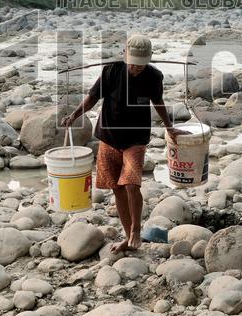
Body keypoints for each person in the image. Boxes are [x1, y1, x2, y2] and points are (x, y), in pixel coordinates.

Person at [61, 34, 184, 252]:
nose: (136, 68)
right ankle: (128, 239)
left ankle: (136, 230)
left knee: (131, 184)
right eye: (132, 63)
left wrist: (169, 127)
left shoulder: (154, 76)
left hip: (136, 139)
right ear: (125, 56)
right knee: (117, 188)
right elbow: (93, 97)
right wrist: (74, 116)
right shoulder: (111, 71)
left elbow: (158, 102)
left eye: (140, 65)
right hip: (109, 137)